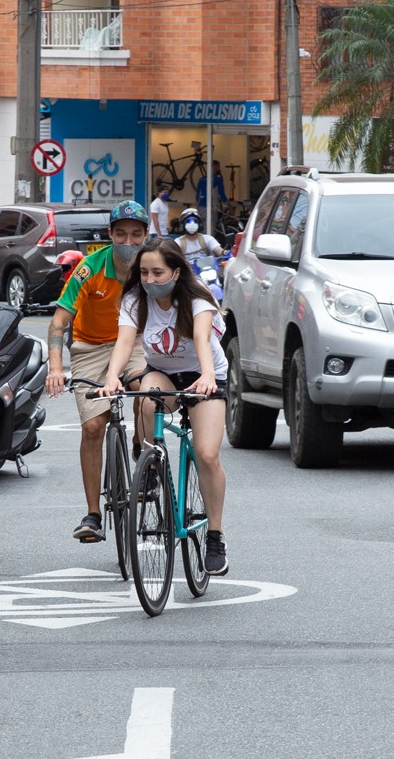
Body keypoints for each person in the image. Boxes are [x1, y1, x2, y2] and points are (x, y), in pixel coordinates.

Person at [102, 236, 230, 576]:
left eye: (158, 273)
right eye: (144, 273)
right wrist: (112, 377)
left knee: (206, 454)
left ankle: (215, 536)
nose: (150, 280)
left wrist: (206, 376)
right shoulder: (134, 299)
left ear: (176, 271)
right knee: (146, 397)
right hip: (164, 374)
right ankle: (151, 468)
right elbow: (125, 341)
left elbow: (202, 339)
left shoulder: (196, 296)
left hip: (206, 374)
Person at [45, 201, 150, 543]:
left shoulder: (150, 269)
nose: (128, 241)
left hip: (132, 343)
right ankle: (93, 514)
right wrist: (56, 367)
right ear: (110, 235)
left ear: (146, 235)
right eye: (121, 234)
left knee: (145, 389)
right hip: (89, 348)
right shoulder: (89, 269)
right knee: (93, 427)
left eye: (136, 234)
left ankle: (140, 445)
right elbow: (60, 322)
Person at [176, 207, 223, 274]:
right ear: (183, 225)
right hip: (187, 275)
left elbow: (218, 250)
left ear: (200, 224)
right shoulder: (178, 242)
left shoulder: (208, 239)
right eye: (188, 222)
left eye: (195, 221)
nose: (192, 224)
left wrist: (224, 252)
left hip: (207, 272)